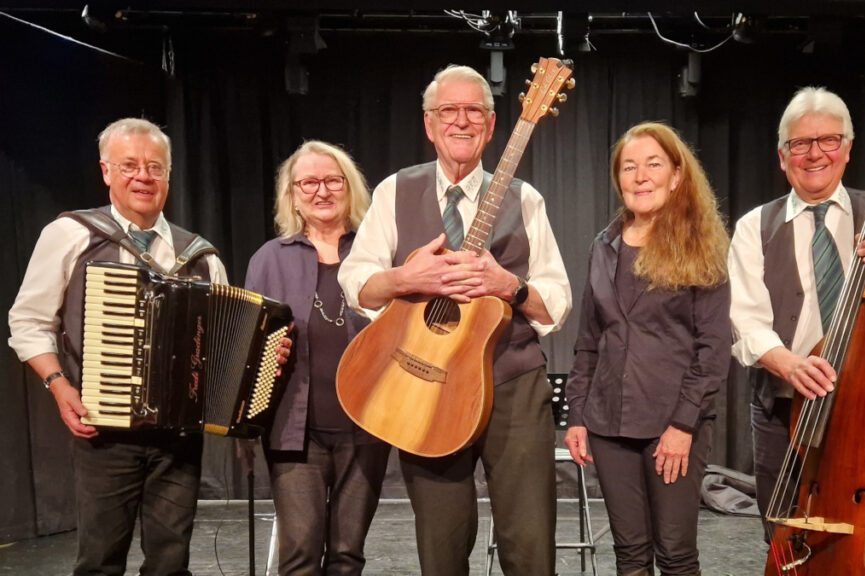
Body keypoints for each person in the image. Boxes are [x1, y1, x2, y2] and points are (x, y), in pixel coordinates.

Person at [339, 64, 572, 576]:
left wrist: (508, 286)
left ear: (492, 127)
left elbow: (556, 300)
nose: (461, 121)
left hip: (511, 380)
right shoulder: (393, 192)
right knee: (440, 548)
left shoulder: (525, 198)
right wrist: (406, 277)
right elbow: (356, 282)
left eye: (475, 111)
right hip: (425, 383)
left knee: (530, 546)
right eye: (449, 110)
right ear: (429, 124)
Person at [8, 118, 231, 576]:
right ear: (106, 172)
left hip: (179, 438)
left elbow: (226, 342)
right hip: (103, 431)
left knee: (171, 562)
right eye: (129, 166)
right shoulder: (70, 235)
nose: (143, 177)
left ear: (169, 176)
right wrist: (57, 384)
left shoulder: (201, 257)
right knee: (99, 561)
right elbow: (28, 321)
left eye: (154, 167)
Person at [728, 87, 865, 540]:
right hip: (785, 407)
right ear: (782, 157)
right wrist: (790, 364)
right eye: (800, 144)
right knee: (784, 540)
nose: (815, 154)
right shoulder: (755, 226)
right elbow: (744, 320)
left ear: (847, 149)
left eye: (828, 140)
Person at [563, 122, 732, 576]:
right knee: (630, 555)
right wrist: (576, 414)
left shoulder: (702, 247)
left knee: (675, 555)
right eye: (629, 167)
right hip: (608, 423)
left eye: (653, 165)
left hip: (672, 427)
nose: (640, 176)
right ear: (618, 178)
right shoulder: (605, 245)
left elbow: (712, 349)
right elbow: (587, 340)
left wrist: (682, 425)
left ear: (676, 175)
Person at [244, 141, 390, 575]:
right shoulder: (269, 259)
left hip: (367, 427)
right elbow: (246, 347)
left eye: (332, 180)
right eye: (308, 182)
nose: (321, 191)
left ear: (350, 188)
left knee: (347, 556)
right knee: (300, 556)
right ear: (292, 195)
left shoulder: (378, 254)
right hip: (294, 433)